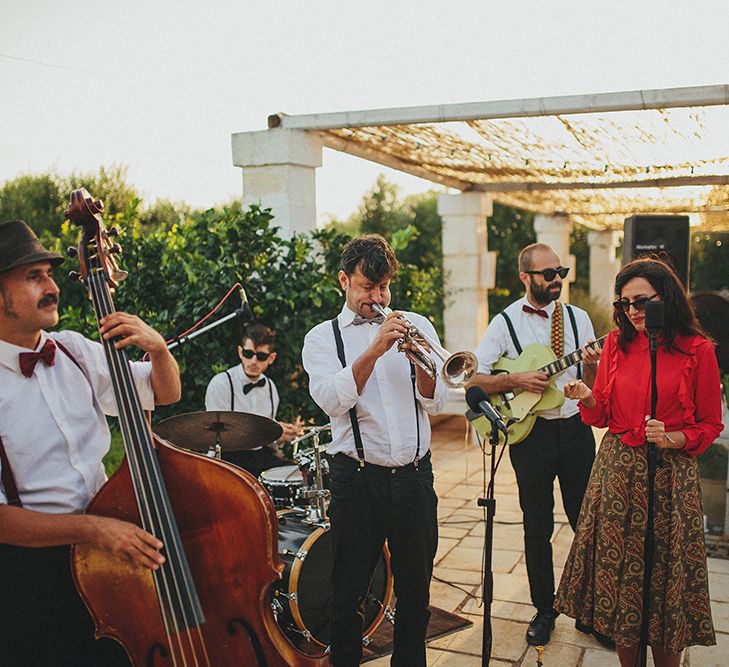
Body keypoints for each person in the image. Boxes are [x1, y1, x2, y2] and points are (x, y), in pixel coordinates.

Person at [0, 219, 182, 666]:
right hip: (33, 574)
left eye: (50, 273)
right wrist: (92, 529)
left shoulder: (74, 351)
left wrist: (158, 351)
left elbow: (164, 393)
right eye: (33, 276)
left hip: (110, 553)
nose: (52, 286)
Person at [555, 257, 723, 667]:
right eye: (625, 304)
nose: (633, 312)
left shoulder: (698, 350)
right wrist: (587, 396)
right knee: (621, 585)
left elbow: (710, 424)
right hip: (617, 476)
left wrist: (673, 437)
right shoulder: (616, 343)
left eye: (642, 302)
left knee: (665, 586)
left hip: (671, 477)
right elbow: (603, 414)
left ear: (667, 297)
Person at [302, 233, 447, 666]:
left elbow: (435, 401)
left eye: (384, 287)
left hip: (415, 479)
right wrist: (376, 347)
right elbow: (332, 399)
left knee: (416, 592)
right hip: (358, 480)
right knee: (348, 592)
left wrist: (421, 363)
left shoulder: (416, 323)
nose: (378, 297)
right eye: (368, 286)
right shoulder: (322, 338)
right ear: (344, 281)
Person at [470, 242, 606, 648]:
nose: (556, 281)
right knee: (537, 526)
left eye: (560, 273)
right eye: (548, 274)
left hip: (577, 430)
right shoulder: (504, 321)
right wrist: (515, 380)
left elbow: (594, 380)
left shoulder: (578, 319)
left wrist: (594, 363)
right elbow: (474, 377)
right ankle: (544, 610)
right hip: (531, 435)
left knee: (586, 524)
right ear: (525, 277)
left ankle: (591, 609)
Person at [204, 323, 302, 478]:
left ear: (271, 358)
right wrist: (268, 431)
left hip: (260, 456)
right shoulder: (221, 383)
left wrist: (279, 436)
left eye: (261, 356)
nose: (254, 361)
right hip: (229, 458)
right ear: (240, 352)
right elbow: (219, 436)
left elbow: (269, 443)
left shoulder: (270, 387)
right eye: (248, 354)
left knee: (298, 475)